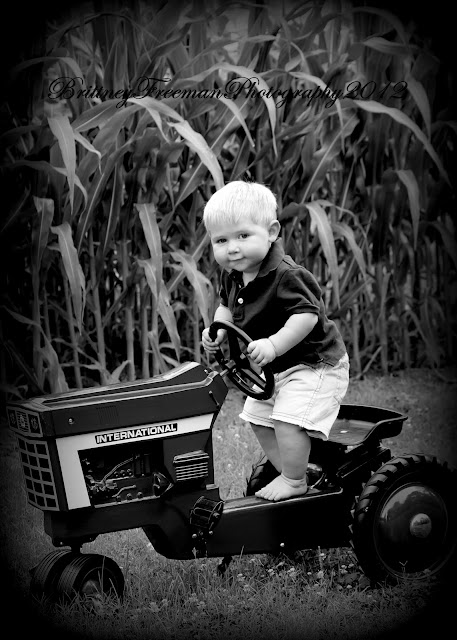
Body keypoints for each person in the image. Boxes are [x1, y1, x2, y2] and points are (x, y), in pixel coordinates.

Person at [201, 181, 349, 501]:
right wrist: (219, 330)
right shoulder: (234, 273)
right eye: (221, 240)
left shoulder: (286, 274)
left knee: (286, 420)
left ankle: (294, 481)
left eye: (243, 236)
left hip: (315, 364)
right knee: (257, 416)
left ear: (271, 232)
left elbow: (306, 317)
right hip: (278, 369)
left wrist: (272, 345)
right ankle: (297, 471)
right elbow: (226, 307)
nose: (232, 248)